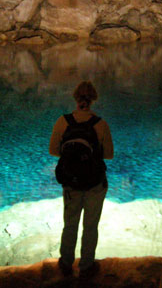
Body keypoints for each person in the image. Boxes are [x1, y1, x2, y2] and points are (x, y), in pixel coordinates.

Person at [49, 80, 114, 279]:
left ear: (75, 98)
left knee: (70, 224)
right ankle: (86, 266)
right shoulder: (100, 124)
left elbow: (53, 150)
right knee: (90, 225)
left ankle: (66, 263)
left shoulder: (63, 121)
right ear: (93, 99)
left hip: (71, 183)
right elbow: (109, 155)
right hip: (94, 184)